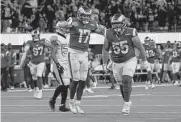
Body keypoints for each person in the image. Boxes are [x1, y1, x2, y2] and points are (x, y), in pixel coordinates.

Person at [56, 6, 105, 114]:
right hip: (73, 52)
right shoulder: (73, 21)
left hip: (84, 53)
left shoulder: (91, 23)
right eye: (83, 15)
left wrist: (106, 32)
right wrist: (66, 24)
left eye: (87, 16)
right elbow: (59, 25)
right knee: (76, 79)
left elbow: (101, 29)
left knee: (83, 79)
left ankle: (78, 103)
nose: (85, 18)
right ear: (79, 14)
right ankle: (71, 101)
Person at [102, 13, 148, 115]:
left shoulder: (131, 32)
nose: (116, 26)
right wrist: (104, 63)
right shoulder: (109, 33)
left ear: (124, 23)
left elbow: (140, 47)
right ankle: (126, 100)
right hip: (116, 61)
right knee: (122, 84)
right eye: (114, 24)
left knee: (126, 79)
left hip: (129, 59)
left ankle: (126, 104)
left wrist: (144, 60)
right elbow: (105, 49)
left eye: (118, 23)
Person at [20, 29, 47, 99]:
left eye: (36, 35)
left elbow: (48, 47)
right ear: (32, 36)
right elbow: (26, 49)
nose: (35, 37)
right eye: (34, 36)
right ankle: (35, 89)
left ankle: (40, 91)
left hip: (41, 62)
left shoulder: (43, 41)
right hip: (33, 62)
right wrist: (26, 49)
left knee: (39, 75)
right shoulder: (29, 42)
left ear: (39, 35)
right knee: (34, 77)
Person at [48, 29, 70, 112]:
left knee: (66, 85)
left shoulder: (66, 38)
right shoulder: (56, 39)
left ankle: (62, 105)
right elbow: (52, 54)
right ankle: (52, 100)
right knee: (65, 84)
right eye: (66, 28)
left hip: (65, 65)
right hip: (58, 65)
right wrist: (58, 64)